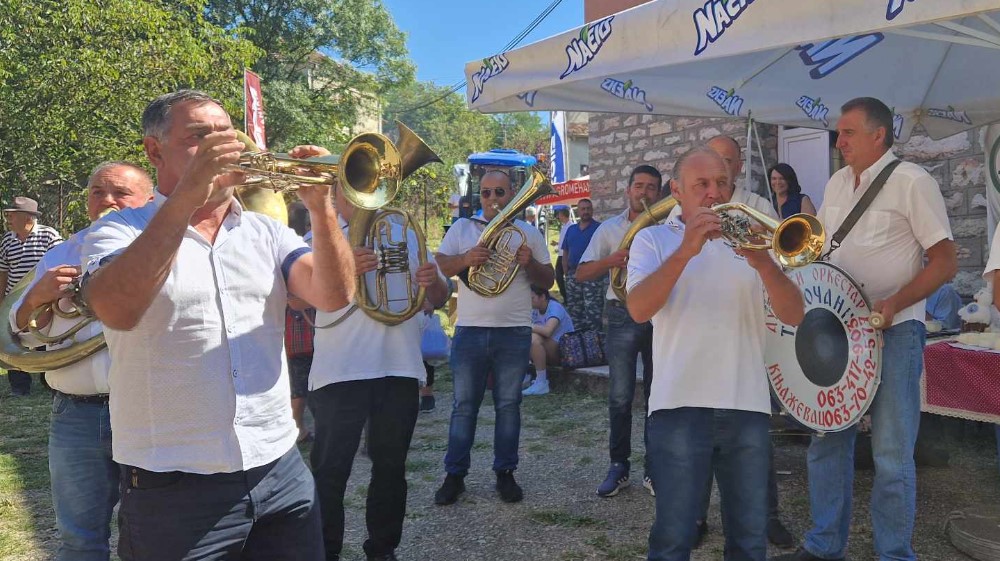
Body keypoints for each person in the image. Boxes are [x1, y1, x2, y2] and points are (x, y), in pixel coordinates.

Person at [81, 89, 356, 561]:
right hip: (173, 487)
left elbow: (334, 296)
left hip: (279, 470)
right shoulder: (119, 228)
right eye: (199, 137)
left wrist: (321, 207)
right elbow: (118, 308)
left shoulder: (266, 230)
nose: (221, 146)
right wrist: (189, 195)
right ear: (155, 150)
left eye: (226, 135)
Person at [773, 97, 956, 561]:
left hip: (895, 333)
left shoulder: (914, 182)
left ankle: (894, 554)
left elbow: (947, 261)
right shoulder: (836, 182)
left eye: (849, 132)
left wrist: (895, 303)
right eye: (839, 132)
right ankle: (823, 545)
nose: (840, 140)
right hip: (839, 329)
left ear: (879, 135)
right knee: (827, 438)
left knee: (892, 456)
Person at [627, 146, 805, 561]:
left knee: (748, 539)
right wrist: (686, 250)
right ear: (677, 191)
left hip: (746, 405)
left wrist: (764, 265)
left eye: (722, 183)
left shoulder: (755, 242)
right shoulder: (652, 239)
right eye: (701, 184)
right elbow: (638, 309)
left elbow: (795, 314)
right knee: (673, 538)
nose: (713, 193)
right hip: (678, 405)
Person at [300, 143, 450, 561]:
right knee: (331, 473)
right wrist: (343, 262)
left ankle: (382, 549)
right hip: (339, 372)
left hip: (399, 367)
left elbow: (437, 297)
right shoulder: (316, 238)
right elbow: (297, 302)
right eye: (353, 186)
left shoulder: (402, 228)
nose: (363, 194)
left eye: (371, 183)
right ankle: (325, 551)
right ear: (335, 192)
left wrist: (430, 280)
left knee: (390, 469)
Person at [8, 162, 152, 560]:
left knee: (151, 539)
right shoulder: (61, 252)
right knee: (78, 541)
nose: (106, 200)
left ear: (151, 201)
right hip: (75, 414)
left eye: (120, 193)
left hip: (147, 408)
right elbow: (22, 334)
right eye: (97, 192)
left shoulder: (166, 251)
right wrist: (37, 299)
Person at [433, 168, 554, 505]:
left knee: (508, 405)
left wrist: (529, 264)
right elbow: (442, 265)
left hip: (514, 331)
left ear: (512, 194)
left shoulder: (527, 232)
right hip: (470, 330)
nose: (492, 200)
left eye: (500, 193)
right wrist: (466, 259)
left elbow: (547, 279)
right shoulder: (462, 228)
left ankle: (505, 473)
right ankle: (455, 475)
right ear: (479, 196)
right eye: (486, 193)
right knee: (463, 407)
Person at [576, 165, 663, 498]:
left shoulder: (669, 227)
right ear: (628, 190)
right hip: (621, 313)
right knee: (620, 396)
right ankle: (619, 467)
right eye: (638, 186)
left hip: (660, 316)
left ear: (660, 193)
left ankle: (654, 470)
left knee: (660, 396)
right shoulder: (610, 229)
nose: (644, 192)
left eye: (651, 187)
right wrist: (611, 261)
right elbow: (581, 273)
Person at [0, 195, 62, 396]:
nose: (8, 218)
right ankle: (20, 387)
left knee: (44, 337)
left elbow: (60, 264)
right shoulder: (7, 240)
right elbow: (3, 272)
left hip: (43, 300)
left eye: (13, 215)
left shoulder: (49, 235)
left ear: (28, 217)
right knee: (13, 342)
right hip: (13, 302)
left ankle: (48, 383)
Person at [286, 200, 315, 444]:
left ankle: (298, 425)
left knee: (298, 374)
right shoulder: (307, 246)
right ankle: (296, 426)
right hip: (303, 321)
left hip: (293, 320)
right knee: (303, 374)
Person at [706, 135, 778, 219]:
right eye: (709, 161)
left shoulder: (760, 207)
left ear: (738, 168)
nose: (717, 167)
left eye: (726, 161)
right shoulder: (694, 204)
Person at [523, 284, 575, 396]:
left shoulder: (555, 307)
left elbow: (548, 331)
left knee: (534, 338)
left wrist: (528, 326)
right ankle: (523, 375)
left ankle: (541, 382)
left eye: (532, 298)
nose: (529, 302)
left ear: (542, 297)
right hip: (550, 349)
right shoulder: (535, 310)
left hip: (565, 353)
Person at [562, 198, 604, 332]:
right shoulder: (571, 230)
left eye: (588, 209)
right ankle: (580, 344)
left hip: (592, 276)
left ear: (592, 210)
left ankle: (596, 344)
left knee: (593, 312)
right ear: (578, 211)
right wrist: (566, 273)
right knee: (575, 312)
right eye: (583, 209)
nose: (585, 211)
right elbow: (566, 251)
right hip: (573, 276)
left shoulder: (599, 229)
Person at [552, 205, 572, 300]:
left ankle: (568, 296)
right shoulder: (564, 226)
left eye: (559, 214)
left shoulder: (571, 226)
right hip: (560, 255)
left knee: (565, 276)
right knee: (558, 276)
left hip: (566, 256)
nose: (557, 217)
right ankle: (565, 296)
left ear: (562, 214)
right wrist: (557, 243)